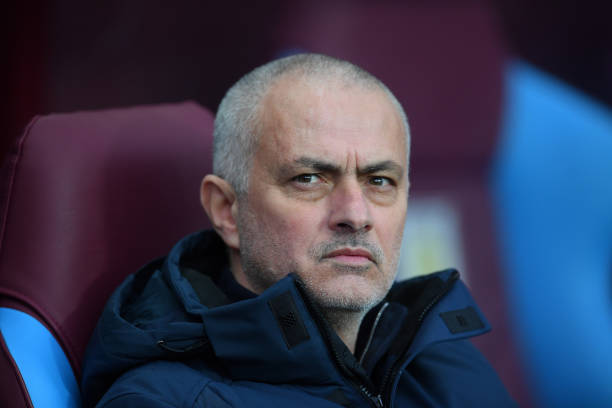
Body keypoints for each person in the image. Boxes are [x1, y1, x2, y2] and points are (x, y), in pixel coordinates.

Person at [81, 53, 515, 407]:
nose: (356, 214)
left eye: (380, 181)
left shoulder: (442, 359)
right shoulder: (163, 402)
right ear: (227, 211)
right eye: (309, 178)